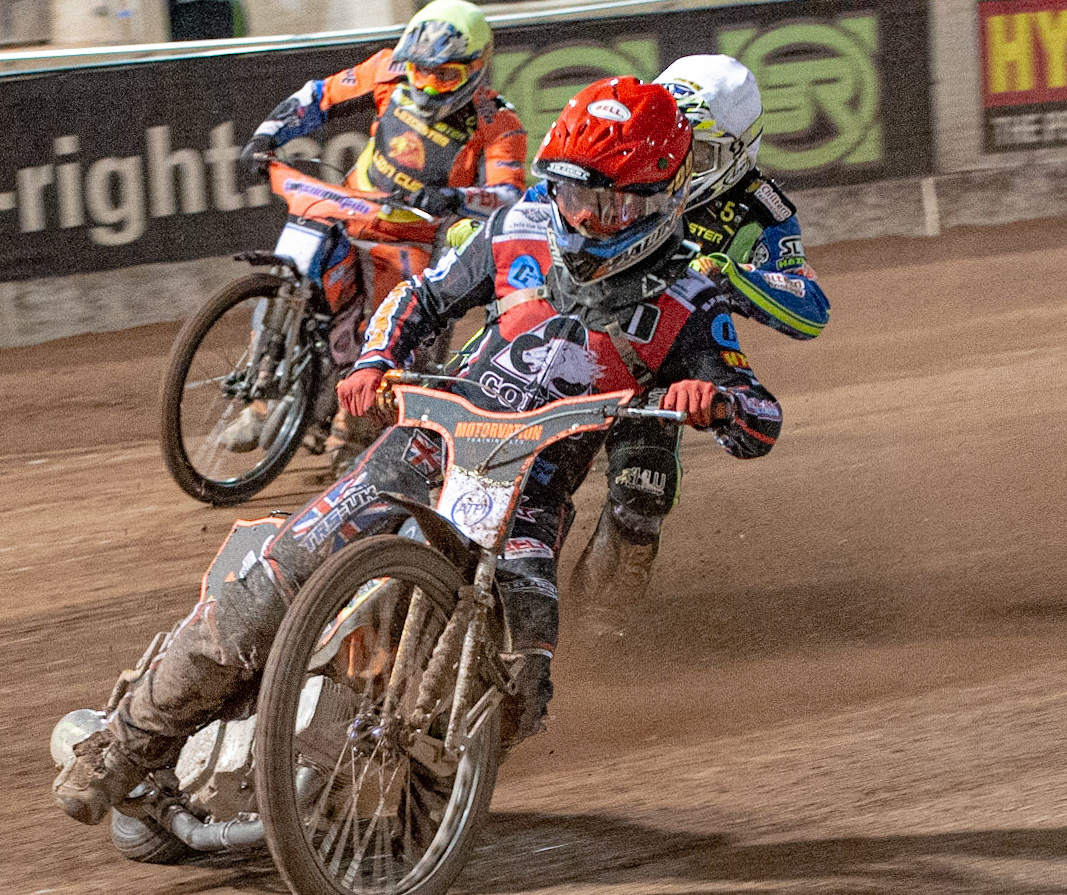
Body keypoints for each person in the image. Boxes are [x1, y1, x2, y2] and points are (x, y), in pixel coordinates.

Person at [54, 77, 783, 826]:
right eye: (572, 193)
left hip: (529, 499)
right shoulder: (518, 227)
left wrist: (716, 399)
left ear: (663, 199)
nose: (588, 217)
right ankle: (119, 748)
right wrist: (373, 360)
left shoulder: (689, 299)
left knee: (522, 691)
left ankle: (405, 821)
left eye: (612, 203)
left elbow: (760, 414)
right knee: (266, 590)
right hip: (425, 445)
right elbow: (421, 297)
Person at [571, 54, 830, 598]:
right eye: (678, 139)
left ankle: (605, 622)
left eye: (702, 151)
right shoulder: (628, 152)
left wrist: (733, 275)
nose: (684, 160)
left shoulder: (765, 212)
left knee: (640, 491)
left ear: (739, 153)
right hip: (568, 332)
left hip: (664, 361)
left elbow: (811, 306)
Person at [231, 0, 527, 470]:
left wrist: (454, 199)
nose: (426, 85)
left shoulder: (498, 123)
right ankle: (258, 394)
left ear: (477, 68)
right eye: (419, 71)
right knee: (289, 273)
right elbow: (319, 97)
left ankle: (354, 434)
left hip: (407, 241)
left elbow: (509, 197)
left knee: (385, 333)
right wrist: (268, 135)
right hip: (346, 212)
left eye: (444, 77)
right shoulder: (388, 70)